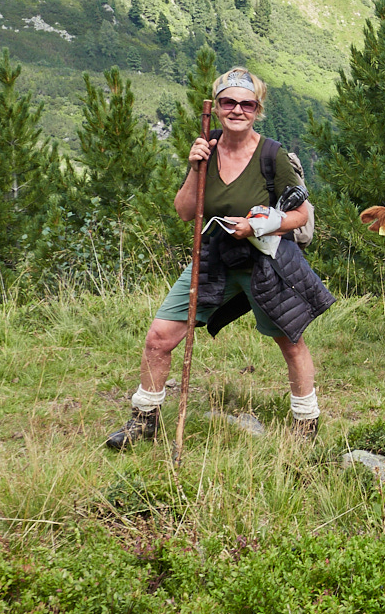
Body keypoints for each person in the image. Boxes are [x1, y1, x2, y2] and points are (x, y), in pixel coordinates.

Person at [105, 67, 334, 449]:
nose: (237, 110)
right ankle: (144, 419)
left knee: (290, 341)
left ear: (257, 109)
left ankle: (306, 425)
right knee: (159, 337)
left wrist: (257, 226)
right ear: (218, 105)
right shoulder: (206, 149)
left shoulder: (272, 155)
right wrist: (197, 168)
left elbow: (301, 214)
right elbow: (183, 210)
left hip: (266, 261)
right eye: (228, 102)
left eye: (247, 104)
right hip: (215, 257)